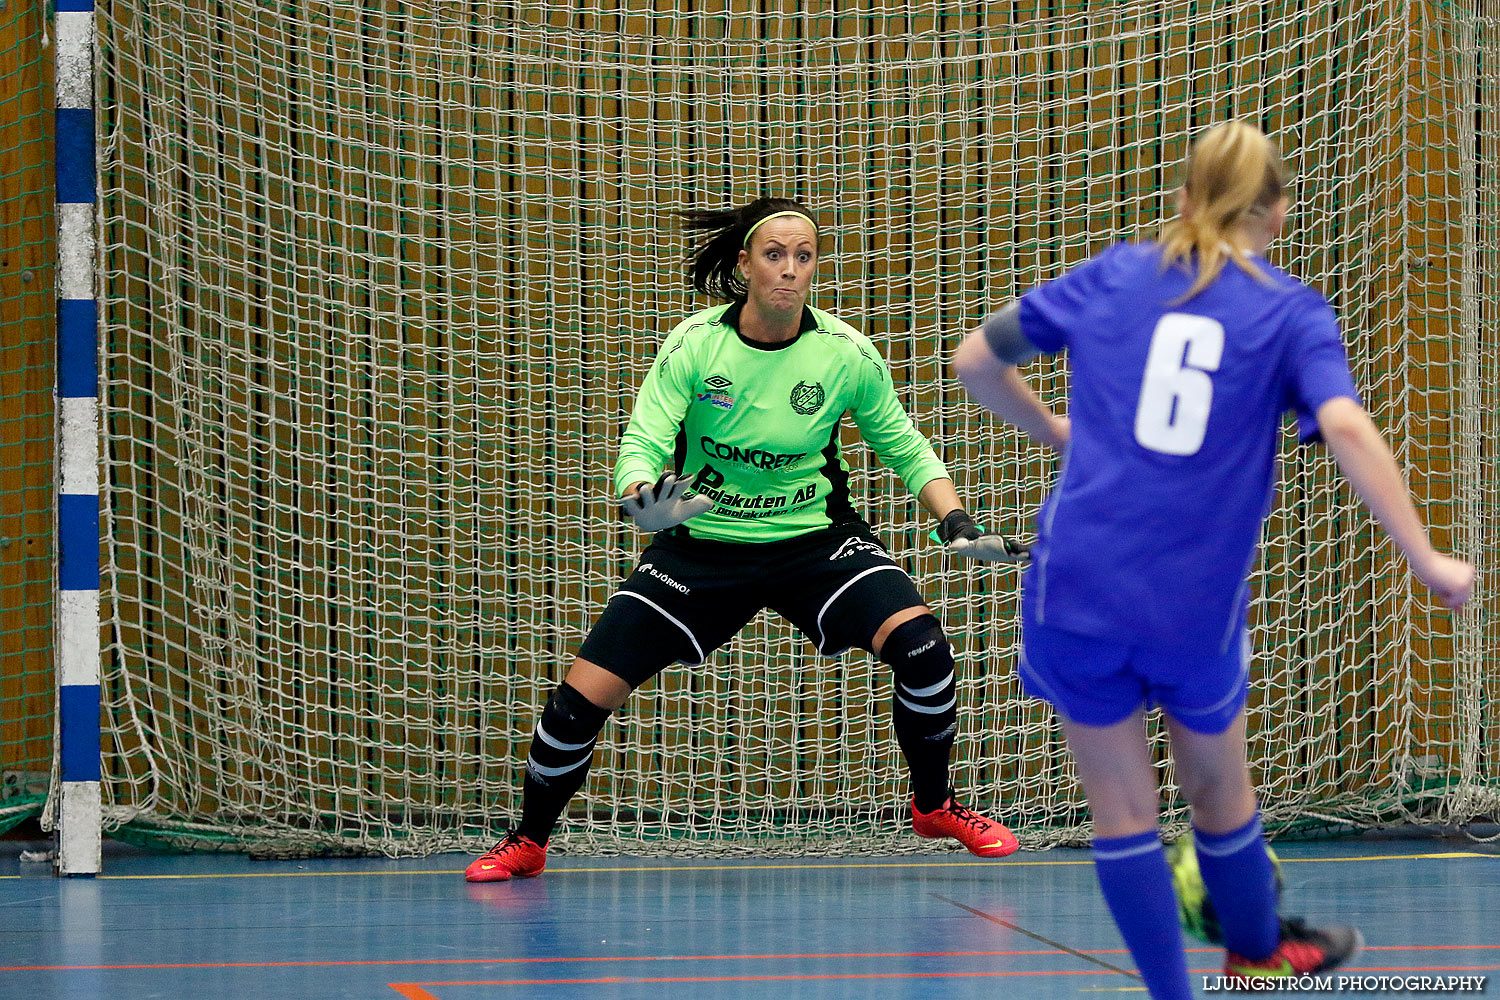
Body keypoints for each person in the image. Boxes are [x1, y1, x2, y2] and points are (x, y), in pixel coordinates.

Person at [951, 121, 1474, 997]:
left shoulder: (1114, 274)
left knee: (1122, 815)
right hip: (1188, 603)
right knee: (1220, 798)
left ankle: (1180, 991)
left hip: (1075, 583)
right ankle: (1255, 948)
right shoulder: (1287, 311)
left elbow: (975, 357)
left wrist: (1049, 428)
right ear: (1277, 210)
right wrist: (1424, 557)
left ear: (1185, 199)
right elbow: (1344, 424)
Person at [466, 196, 1029, 882]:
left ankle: (935, 805)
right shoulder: (697, 345)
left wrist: (956, 520)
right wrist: (642, 502)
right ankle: (529, 841)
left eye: (804, 256)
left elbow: (905, 446)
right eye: (774, 255)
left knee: (923, 648)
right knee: (581, 699)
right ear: (744, 265)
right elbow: (642, 443)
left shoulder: (845, 354)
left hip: (816, 544)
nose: (790, 270)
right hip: (700, 550)